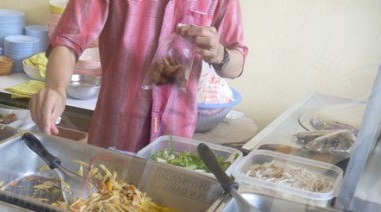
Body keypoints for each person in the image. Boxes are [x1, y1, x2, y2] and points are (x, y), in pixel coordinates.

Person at [29, 0, 248, 153]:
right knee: (105, 207)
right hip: (115, 132)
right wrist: (56, 88)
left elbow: (237, 64)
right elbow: (68, 41)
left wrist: (220, 54)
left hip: (174, 139)